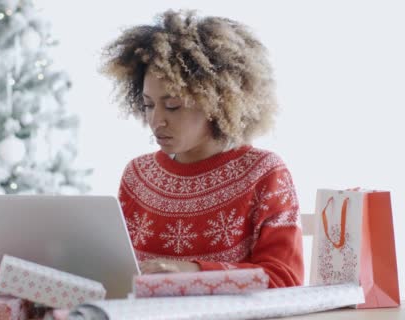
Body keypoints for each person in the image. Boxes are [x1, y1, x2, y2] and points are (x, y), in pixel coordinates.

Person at [101, 10, 303, 288]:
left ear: (217, 103)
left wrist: (193, 271)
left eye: (173, 105)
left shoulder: (264, 173)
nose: (156, 120)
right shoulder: (137, 176)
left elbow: (285, 278)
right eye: (148, 104)